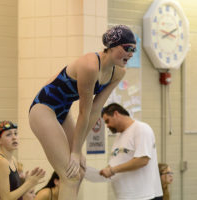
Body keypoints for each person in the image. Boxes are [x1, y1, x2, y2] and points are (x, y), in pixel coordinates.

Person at [28, 25, 136, 200]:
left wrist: (78, 150)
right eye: (127, 48)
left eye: (134, 49)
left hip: (62, 112)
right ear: (112, 46)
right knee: (70, 175)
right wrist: (75, 151)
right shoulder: (90, 65)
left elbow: (95, 111)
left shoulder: (118, 73)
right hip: (43, 110)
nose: (131, 53)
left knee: (79, 170)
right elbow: (84, 111)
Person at [100, 103, 163, 200]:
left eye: (108, 121)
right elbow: (116, 162)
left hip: (143, 196)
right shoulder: (119, 136)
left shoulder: (141, 129)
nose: (107, 126)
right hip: (126, 196)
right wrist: (106, 170)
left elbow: (142, 160)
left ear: (116, 114)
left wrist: (112, 170)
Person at [0, 120, 45, 200]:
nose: (14, 137)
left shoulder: (13, 160)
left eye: (15, 133)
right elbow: (5, 198)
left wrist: (28, 181)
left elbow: (15, 191)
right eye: (8, 135)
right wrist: (29, 183)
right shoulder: (1, 161)